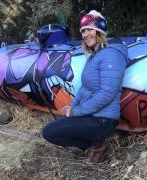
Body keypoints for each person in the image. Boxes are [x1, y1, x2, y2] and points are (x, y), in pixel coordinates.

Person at [42, 10, 128, 163]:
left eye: (90, 29)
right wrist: (71, 108)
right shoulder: (94, 56)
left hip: (103, 120)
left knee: (49, 132)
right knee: (51, 132)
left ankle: (99, 144)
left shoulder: (112, 55)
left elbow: (107, 93)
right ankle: (96, 144)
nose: (85, 34)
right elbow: (84, 88)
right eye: (83, 31)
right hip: (92, 115)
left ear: (100, 30)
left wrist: (76, 112)